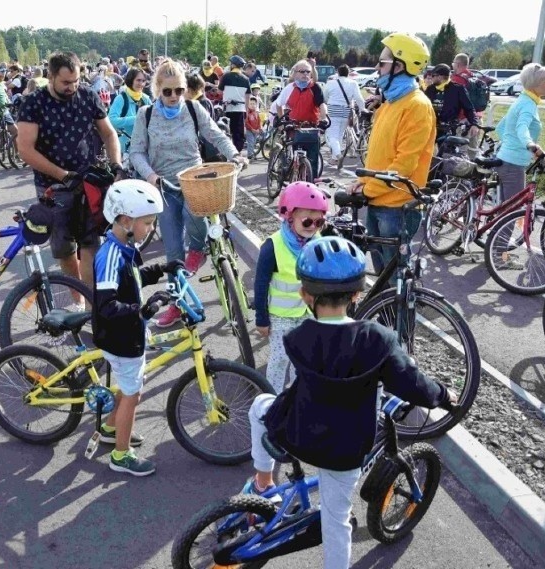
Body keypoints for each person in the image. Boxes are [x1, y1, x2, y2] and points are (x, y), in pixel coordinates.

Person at [244, 235, 457, 569]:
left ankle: (263, 482)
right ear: (358, 293)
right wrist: (444, 396)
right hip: (344, 450)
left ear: (305, 295)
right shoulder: (377, 339)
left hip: (297, 433)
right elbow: (413, 384)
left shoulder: (296, 337)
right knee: (336, 523)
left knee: (260, 407)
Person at [128, 59, 244, 328]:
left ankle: (199, 249)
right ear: (157, 89)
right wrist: (150, 175)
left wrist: (235, 154)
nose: (173, 96)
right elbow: (136, 152)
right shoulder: (146, 115)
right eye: (167, 91)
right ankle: (176, 305)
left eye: (179, 90)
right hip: (164, 187)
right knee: (172, 253)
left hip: (194, 182)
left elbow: (215, 135)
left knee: (197, 224)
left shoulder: (193, 109)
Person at [93, 179, 183, 476]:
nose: (151, 228)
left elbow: (133, 278)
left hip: (128, 334)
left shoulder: (124, 246)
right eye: (148, 222)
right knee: (133, 395)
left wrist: (162, 269)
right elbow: (107, 306)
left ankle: (109, 429)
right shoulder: (110, 256)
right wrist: (141, 310)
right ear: (125, 219)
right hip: (121, 338)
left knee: (127, 386)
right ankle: (120, 455)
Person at [17, 51, 123, 292]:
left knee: (91, 245)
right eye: (66, 82)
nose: (72, 87)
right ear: (51, 76)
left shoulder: (87, 95)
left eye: (76, 81)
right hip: (52, 187)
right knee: (64, 251)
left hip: (88, 183)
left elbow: (108, 133)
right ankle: (77, 299)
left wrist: (116, 164)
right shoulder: (33, 103)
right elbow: (25, 149)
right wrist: (63, 175)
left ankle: (90, 307)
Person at [349, 32, 434, 271]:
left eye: (382, 63)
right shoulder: (391, 103)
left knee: (396, 278)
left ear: (400, 66)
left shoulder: (417, 105)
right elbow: (380, 154)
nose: (377, 68)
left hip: (396, 205)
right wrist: (362, 182)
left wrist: (368, 188)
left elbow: (403, 164)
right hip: (379, 199)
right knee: (382, 276)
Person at [254, 182, 328, 392]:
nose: (313, 227)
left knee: (304, 360)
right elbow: (260, 284)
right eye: (307, 221)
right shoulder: (273, 246)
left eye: (319, 221)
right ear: (289, 216)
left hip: (308, 314)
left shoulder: (317, 241)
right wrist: (261, 318)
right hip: (280, 317)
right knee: (279, 360)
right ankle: (273, 400)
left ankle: (298, 396)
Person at [495, 62, 545, 203]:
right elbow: (521, 127)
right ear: (536, 83)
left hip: (505, 160)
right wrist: (529, 145)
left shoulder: (522, 100)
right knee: (511, 212)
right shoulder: (528, 104)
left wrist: (514, 145)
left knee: (504, 211)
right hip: (513, 164)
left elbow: (501, 127)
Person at [275, 59, 328, 180]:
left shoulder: (315, 88)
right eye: (302, 71)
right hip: (294, 126)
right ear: (295, 73)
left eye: (308, 72)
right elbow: (279, 104)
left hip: (311, 127)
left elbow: (322, 105)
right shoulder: (289, 88)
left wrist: (323, 119)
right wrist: (281, 121)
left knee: (313, 159)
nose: (305, 74)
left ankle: (311, 185)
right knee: (293, 155)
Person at [325, 64, 365, 167]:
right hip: (346, 111)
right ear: (348, 73)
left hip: (333, 110)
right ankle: (334, 159)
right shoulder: (353, 83)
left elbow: (325, 97)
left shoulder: (330, 83)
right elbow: (359, 98)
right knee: (339, 135)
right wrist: (362, 109)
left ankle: (338, 155)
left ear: (338, 72)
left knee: (331, 135)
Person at [424, 63, 477, 135]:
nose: (432, 78)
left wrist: (474, 124)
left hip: (449, 130)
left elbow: (469, 108)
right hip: (431, 128)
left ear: (440, 77)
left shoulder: (457, 89)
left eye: (433, 76)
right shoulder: (430, 89)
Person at [108, 67, 151, 153]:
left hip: (144, 147)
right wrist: (137, 118)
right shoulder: (121, 99)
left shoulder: (146, 99)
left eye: (143, 81)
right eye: (138, 80)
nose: (141, 84)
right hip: (125, 148)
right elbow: (111, 120)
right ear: (131, 80)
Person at [219, 55, 252, 153]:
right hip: (240, 109)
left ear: (233, 65)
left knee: (226, 131)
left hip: (228, 108)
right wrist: (246, 110)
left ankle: (227, 152)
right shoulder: (245, 79)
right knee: (238, 133)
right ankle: (237, 152)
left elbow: (220, 91)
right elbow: (248, 96)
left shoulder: (226, 76)